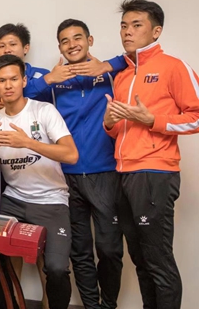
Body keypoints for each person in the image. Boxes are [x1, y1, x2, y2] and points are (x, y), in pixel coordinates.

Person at [0, 54, 78, 309]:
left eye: (13, 79)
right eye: (1, 80)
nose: (8, 85)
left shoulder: (43, 111)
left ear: (23, 81)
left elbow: (71, 155)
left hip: (51, 200)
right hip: (13, 200)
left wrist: (28, 143)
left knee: (56, 269)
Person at [103, 0, 199, 309]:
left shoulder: (173, 66)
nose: (127, 32)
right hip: (124, 173)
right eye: (123, 26)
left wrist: (153, 120)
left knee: (158, 260)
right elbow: (121, 131)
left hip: (155, 173)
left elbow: (197, 116)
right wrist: (109, 123)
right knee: (141, 260)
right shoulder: (122, 76)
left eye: (136, 25)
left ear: (156, 31)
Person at [40, 19, 124, 309]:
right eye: (65, 40)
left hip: (105, 173)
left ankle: (108, 305)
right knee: (80, 251)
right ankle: (91, 306)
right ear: (59, 47)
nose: (72, 44)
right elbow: (19, 97)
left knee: (110, 249)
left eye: (78, 38)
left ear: (90, 40)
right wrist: (48, 79)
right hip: (66, 176)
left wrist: (107, 65)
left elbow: (136, 56)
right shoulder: (53, 83)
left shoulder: (112, 74)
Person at [0, 23, 61, 111]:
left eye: (12, 44)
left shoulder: (44, 75)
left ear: (25, 48)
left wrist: (45, 80)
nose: (7, 50)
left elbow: (55, 107)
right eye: (2, 46)